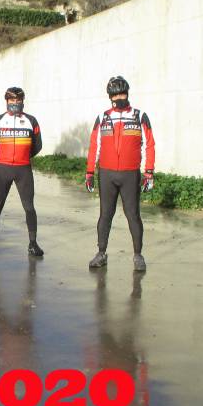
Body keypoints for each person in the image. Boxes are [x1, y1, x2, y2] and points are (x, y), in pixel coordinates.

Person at [85, 76, 155, 272]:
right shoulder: (103, 117)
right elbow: (94, 145)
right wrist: (89, 172)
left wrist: (149, 172)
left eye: (122, 94)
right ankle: (101, 253)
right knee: (105, 215)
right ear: (110, 97)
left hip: (130, 174)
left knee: (133, 215)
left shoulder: (139, 116)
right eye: (115, 95)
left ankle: (138, 255)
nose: (119, 98)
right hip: (106, 174)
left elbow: (150, 144)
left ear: (127, 94)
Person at [0, 86, 43, 257]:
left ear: (23, 101)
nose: (15, 103)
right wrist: (1, 154)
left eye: (18, 100)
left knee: (29, 207)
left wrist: (24, 156)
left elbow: (38, 145)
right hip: (3, 169)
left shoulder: (31, 121)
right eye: (12, 100)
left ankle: (33, 244)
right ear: (7, 101)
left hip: (24, 170)